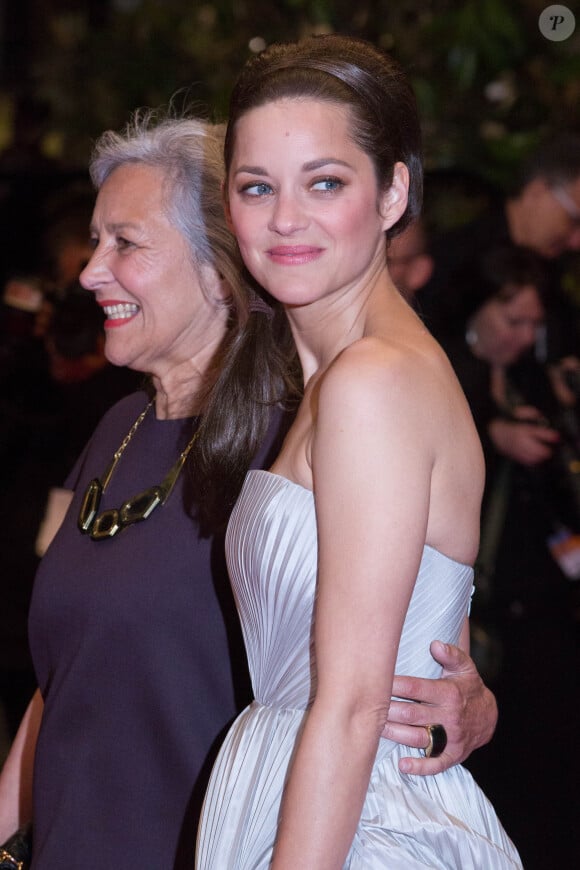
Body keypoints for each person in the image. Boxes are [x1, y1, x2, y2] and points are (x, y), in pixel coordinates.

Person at [0, 113, 498, 868]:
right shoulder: (117, 427)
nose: (91, 270)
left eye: (125, 243)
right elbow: (62, 675)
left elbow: (417, 653)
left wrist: (464, 710)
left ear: (217, 268)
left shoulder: (297, 443)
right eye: (97, 241)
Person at [196, 35, 521, 868]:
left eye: (326, 183)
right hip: (328, 798)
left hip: (357, 827)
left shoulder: (371, 383)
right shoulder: (354, 377)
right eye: (256, 187)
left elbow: (348, 705)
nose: (284, 219)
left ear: (393, 193)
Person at [439, 244, 580, 867]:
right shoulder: (442, 373)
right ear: (477, 310)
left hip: (540, 598)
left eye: (533, 325)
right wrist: (495, 438)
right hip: (478, 604)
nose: (523, 336)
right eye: (511, 320)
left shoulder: (533, 380)